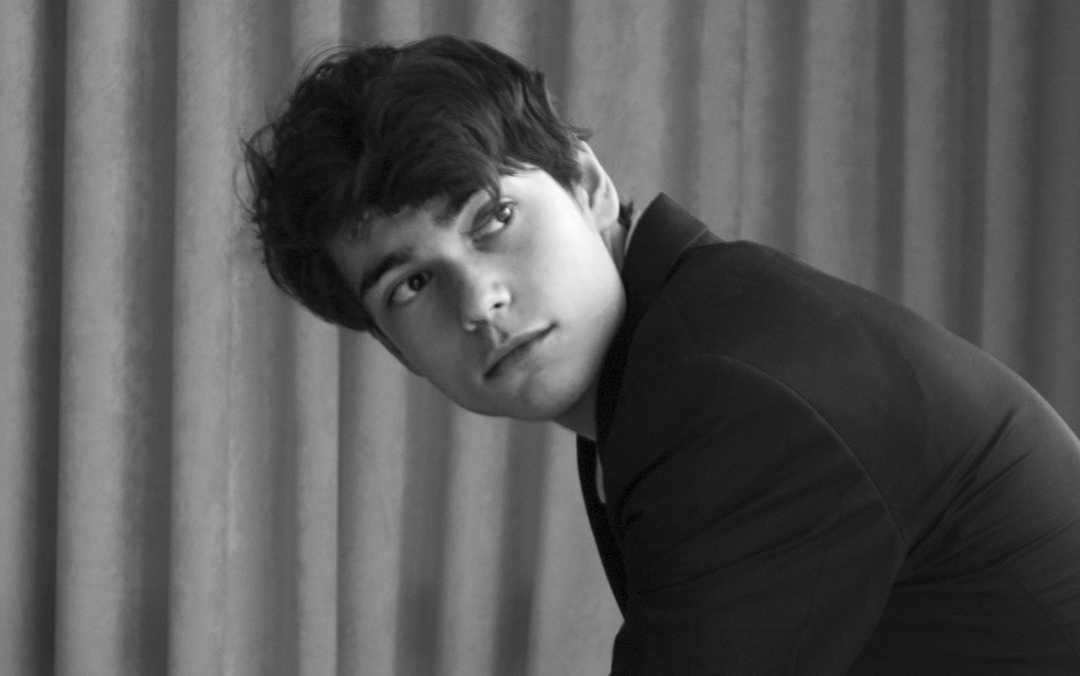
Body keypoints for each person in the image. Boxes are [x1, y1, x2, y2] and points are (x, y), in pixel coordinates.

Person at [242, 34, 1080, 674]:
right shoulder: (674, 351)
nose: (479, 300)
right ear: (394, 348)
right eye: (413, 285)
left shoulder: (722, 390)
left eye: (493, 219)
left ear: (589, 185)